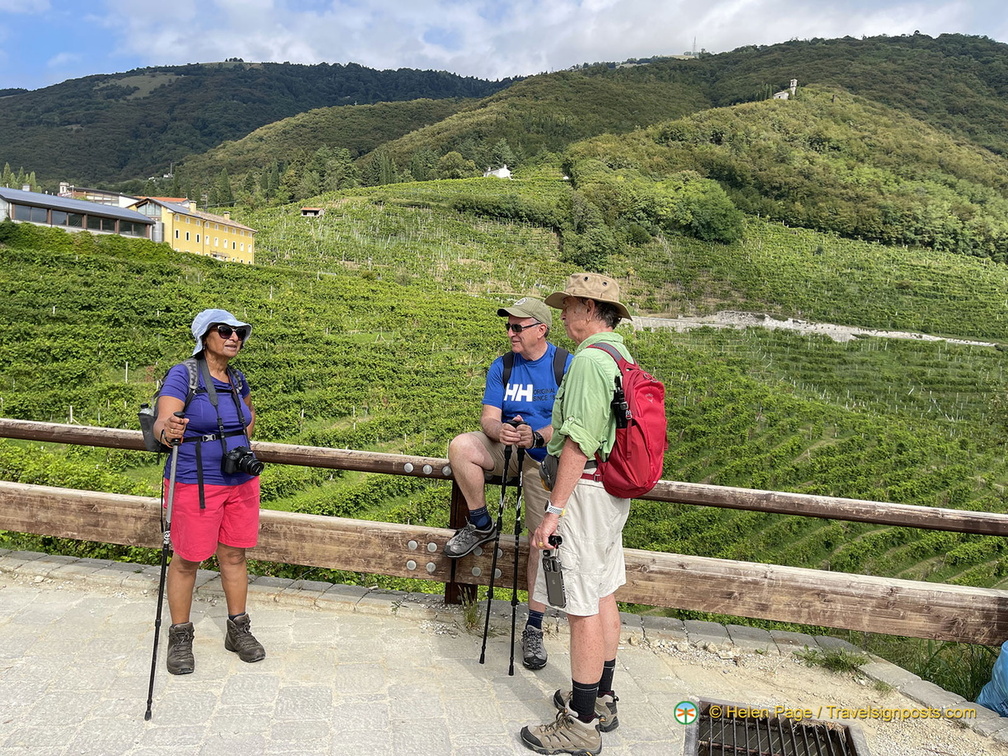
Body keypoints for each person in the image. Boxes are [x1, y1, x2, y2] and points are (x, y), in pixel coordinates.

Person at [520, 273, 634, 755]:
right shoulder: (620, 354)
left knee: (581, 607)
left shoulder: (589, 361)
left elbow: (579, 443)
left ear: (589, 308)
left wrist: (553, 512)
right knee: (604, 590)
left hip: (583, 494)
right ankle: (601, 697)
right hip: (610, 494)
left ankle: (580, 725)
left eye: (567, 306)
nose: (562, 314)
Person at [443, 297, 572, 670]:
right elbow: (487, 417)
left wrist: (538, 436)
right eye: (508, 326)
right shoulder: (503, 365)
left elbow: (570, 423)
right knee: (461, 446)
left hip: (542, 457)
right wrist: (497, 430)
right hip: (506, 447)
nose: (510, 333)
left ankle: (534, 624)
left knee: (539, 539)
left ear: (541, 330)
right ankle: (481, 522)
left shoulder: (566, 365)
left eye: (518, 327)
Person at [153, 308, 266, 675]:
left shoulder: (237, 379)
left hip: (240, 480)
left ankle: (238, 630)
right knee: (188, 557)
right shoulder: (183, 375)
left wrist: (239, 447)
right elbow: (162, 423)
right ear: (205, 336)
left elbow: (248, 417)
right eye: (225, 331)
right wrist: (167, 430)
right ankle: (180, 636)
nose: (234, 337)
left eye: (240, 333)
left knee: (234, 556)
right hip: (194, 481)